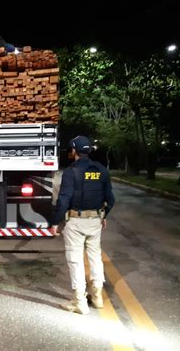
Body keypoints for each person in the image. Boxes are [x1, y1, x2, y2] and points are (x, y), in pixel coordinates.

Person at [51, 135, 115, 314]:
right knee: (95, 257)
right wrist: (103, 216)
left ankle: (80, 301)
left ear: (73, 151)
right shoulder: (101, 170)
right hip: (95, 221)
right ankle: (97, 296)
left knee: (75, 260)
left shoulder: (71, 172)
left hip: (76, 222)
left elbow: (64, 200)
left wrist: (55, 222)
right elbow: (111, 199)